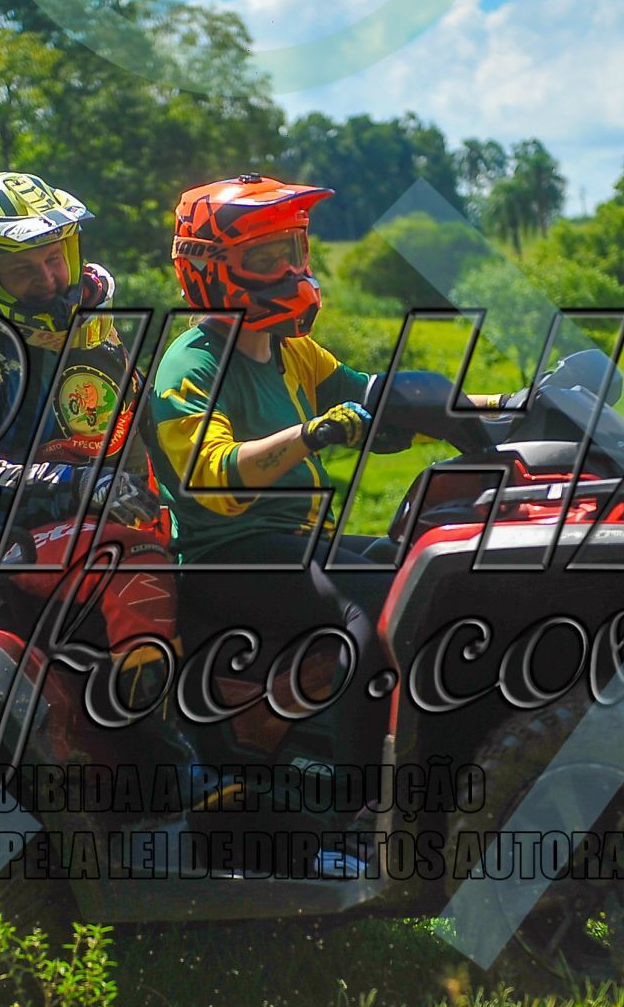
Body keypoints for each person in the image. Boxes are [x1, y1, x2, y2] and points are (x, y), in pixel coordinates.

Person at [148, 173, 513, 768]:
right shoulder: (191, 365)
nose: (291, 271)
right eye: (265, 258)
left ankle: (463, 750)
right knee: (374, 607)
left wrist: (507, 405)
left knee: (417, 566)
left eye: (293, 251)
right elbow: (212, 477)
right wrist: (312, 434)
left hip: (295, 539)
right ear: (208, 269)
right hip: (225, 554)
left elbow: (380, 398)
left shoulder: (291, 350)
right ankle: (360, 795)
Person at [0, 170, 191, 775]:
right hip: (11, 546)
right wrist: (74, 483)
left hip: (112, 521)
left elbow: (140, 428)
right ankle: (168, 760)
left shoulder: (95, 335)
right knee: (130, 559)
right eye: (23, 270)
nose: (48, 281)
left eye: (56, 258)